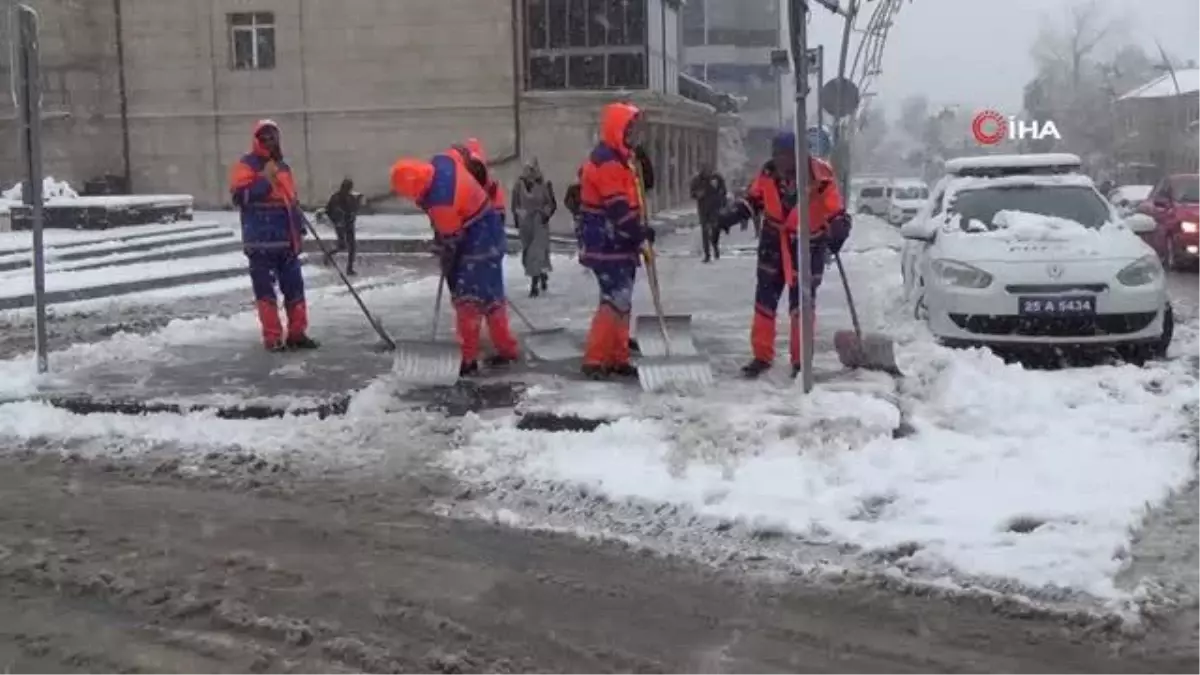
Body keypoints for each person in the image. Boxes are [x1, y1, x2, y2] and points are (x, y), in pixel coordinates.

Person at [717, 129, 851, 379]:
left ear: (799, 155)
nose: (780, 161)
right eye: (777, 155)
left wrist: (839, 227)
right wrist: (731, 215)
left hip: (807, 246)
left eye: (786, 155)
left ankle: (801, 360)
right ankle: (761, 355)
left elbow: (835, 209)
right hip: (773, 243)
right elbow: (754, 200)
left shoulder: (820, 176)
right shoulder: (768, 174)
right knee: (764, 302)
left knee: (802, 304)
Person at [390, 151, 521, 376]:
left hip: (476, 244)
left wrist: (445, 257)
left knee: (467, 302)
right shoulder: (442, 162)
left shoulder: (442, 202)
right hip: (492, 236)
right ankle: (507, 348)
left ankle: (467, 359)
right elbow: (460, 154)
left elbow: (451, 240)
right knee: (492, 298)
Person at [576, 101, 656, 379]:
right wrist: (638, 232)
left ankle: (617, 356)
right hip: (607, 243)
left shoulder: (623, 160)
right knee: (613, 301)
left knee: (622, 301)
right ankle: (595, 359)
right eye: (629, 128)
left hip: (620, 244)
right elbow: (618, 209)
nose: (633, 134)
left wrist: (637, 232)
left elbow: (638, 194)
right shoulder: (607, 162)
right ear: (616, 129)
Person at [229, 119, 318, 352]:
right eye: (264, 137)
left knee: (295, 289)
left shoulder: (283, 167)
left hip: (286, 241)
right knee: (266, 293)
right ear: (256, 140)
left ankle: (297, 334)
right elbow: (241, 197)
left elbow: (291, 200)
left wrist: (298, 229)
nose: (270, 141)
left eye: (273, 136)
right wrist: (265, 181)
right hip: (261, 242)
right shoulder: (247, 165)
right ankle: (273, 338)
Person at [511, 159, 557, 297]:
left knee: (535, 253)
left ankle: (534, 285)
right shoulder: (518, 185)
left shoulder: (544, 184)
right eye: (528, 170)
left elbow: (551, 203)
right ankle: (541, 274)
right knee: (527, 254)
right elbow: (514, 204)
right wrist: (517, 219)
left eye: (532, 170)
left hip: (539, 221)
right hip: (525, 222)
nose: (530, 173)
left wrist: (545, 214)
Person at [690, 164, 728, 262]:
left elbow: (724, 190)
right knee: (705, 231)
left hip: (715, 208)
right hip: (703, 209)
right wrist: (697, 194)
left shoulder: (717, 178)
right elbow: (692, 193)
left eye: (708, 170)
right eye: (704, 170)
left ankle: (715, 246)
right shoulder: (697, 180)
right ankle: (707, 254)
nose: (706, 172)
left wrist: (722, 201)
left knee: (715, 229)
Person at [324, 177, 362, 275]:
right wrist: (336, 220)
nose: (348, 190)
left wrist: (358, 202)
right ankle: (328, 255)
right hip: (340, 225)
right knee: (342, 246)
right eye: (346, 187)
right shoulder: (335, 197)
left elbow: (354, 210)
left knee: (352, 247)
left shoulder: (351, 197)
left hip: (349, 224)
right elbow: (328, 210)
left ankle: (349, 269)